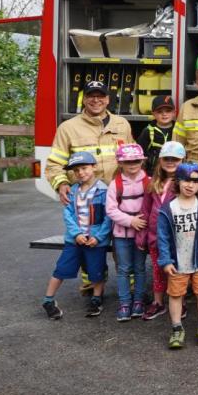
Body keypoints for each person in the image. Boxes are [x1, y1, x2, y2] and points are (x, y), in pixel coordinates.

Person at [40, 152, 112, 320]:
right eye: (76, 170)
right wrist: (76, 233)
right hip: (74, 240)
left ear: (94, 167)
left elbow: (109, 217)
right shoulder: (73, 191)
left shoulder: (104, 191)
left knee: (97, 270)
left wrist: (99, 237)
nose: (80, 173)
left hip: (95, 241)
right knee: (62, 268)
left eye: (84, 168)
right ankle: (48, 300)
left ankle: (96, 298)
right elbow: (68, 214)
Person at [46, 80, 134, 205]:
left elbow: (133, 158)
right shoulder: (67, 128)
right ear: (84, 99)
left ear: (108, 99)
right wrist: (62, 183)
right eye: (91, 96)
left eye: (100, 96)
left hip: (119, 193)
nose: (96, 100)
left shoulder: (122, 124)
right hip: (85, 196)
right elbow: (54, 164)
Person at [157, 162, 198, 349]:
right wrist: (165, 261)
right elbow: (162, 237)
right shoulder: (168, 208)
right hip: (177, 263)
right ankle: (176, 328)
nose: (190, 185)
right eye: (186, 180)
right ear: (178, 181)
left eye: (195, 181)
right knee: (176, 295)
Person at [135, 141, 185, 321]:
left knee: (177, 271)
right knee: (158, 270)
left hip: (177, 238)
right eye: (166, 159)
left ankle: (180, 301)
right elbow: (145, 211)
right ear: (160, 160)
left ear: (182, 160)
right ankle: (158, 302)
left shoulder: (184, 183)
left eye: (175, 159)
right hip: (155, 237)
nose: (170, 162)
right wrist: (142, 236)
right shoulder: (153, 182)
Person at [105, 143, 150, 321]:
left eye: (136, 160)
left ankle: (138, 301)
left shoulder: (149, 182)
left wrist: (142, 222)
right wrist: (131, 221)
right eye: (128, 161)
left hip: (141, 234)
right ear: (120, 163)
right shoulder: (115, 184)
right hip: (121, 235)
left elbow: (152, 205)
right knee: (123, 269)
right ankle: (124, 303)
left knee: (140, 268)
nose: (133, 164)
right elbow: (111, 210)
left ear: (142, 161)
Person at [136, 94, 176, 171]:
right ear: (153, 114)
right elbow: (140, 153)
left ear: (174, 112)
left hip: (173, 171)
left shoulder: (178, 130)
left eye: (168, 111)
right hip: (153, 173)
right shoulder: (148, 131)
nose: (164, 114)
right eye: (160, 112)